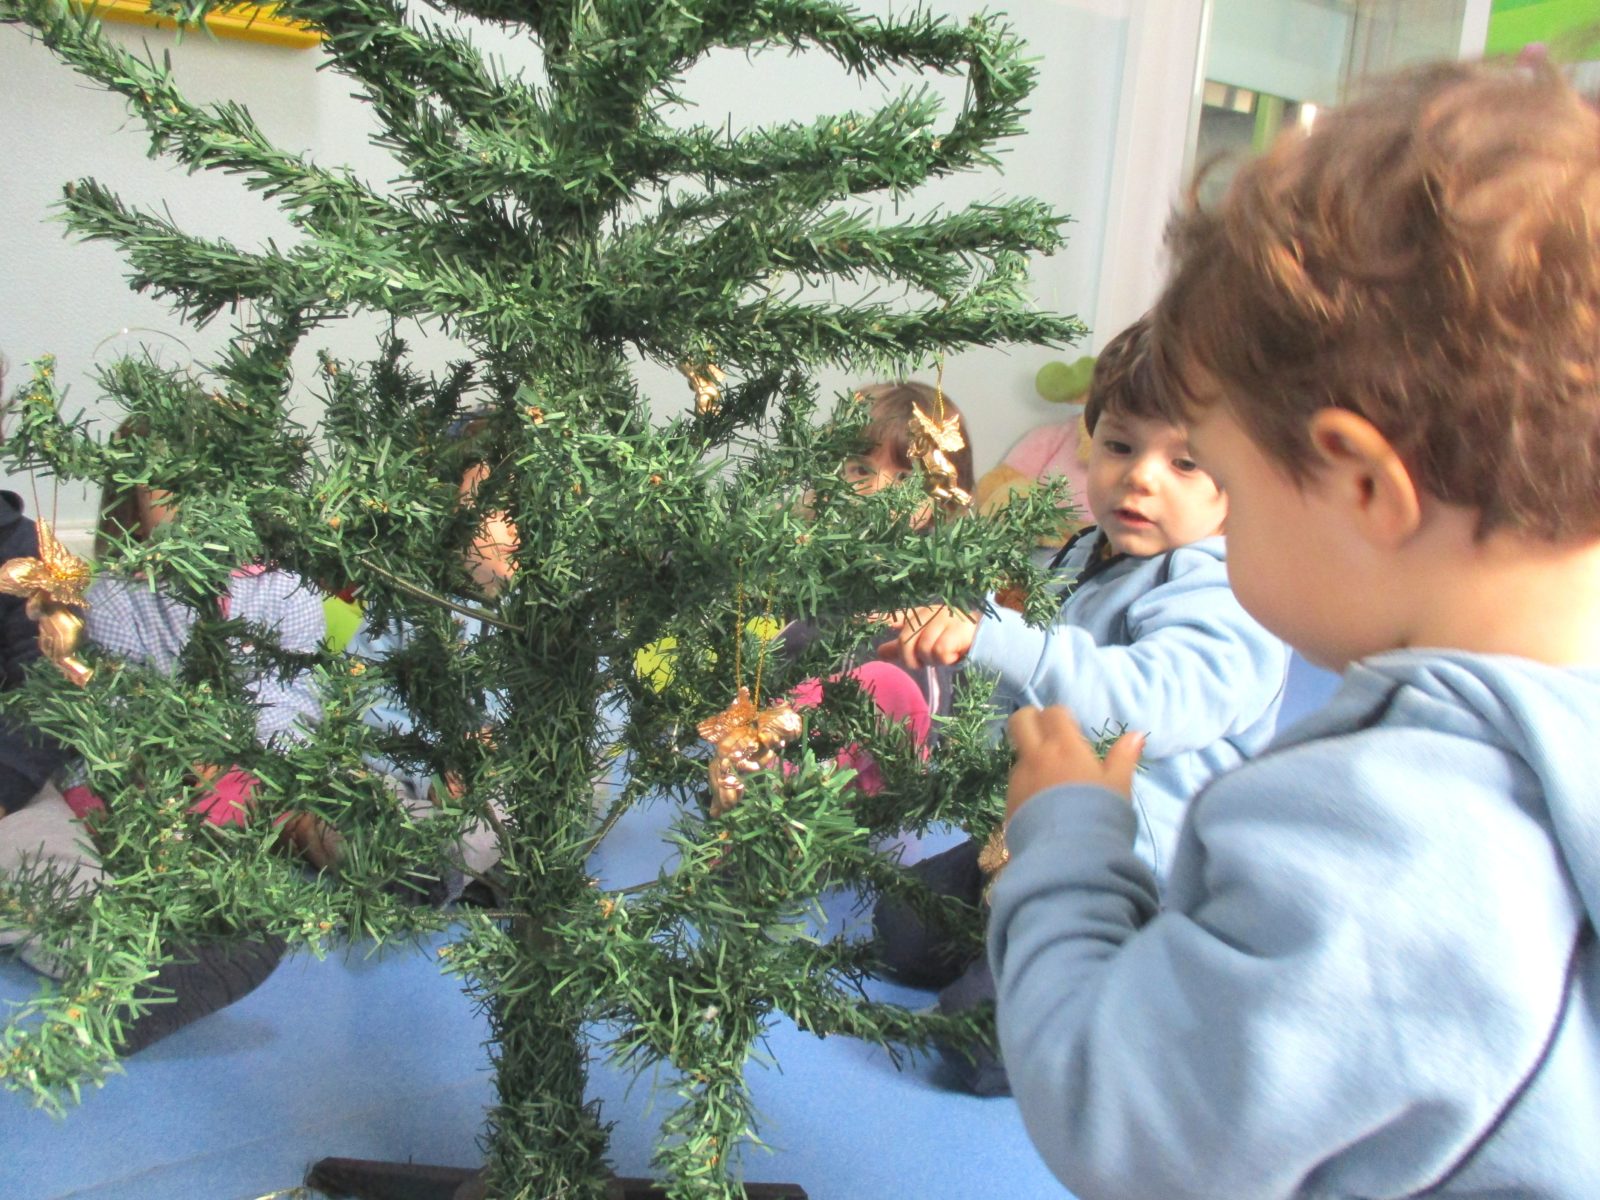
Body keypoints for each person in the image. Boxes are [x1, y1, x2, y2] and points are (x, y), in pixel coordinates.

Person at [992, 60, 1600, 1198]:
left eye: (1221, 476)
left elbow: (1122, 1118)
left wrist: (1070, 839)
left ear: (1360, 486)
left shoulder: (1378, 833)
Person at [873, 318, 1289, 1094]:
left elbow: (1146, 704)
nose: (1140, 478)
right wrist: (948, 643)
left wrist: (995, 636)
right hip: (1035, 832)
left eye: (1185, 462)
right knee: (898, 929)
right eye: (1121, 446)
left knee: (981, 1037)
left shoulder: (1232, 591)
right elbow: (1028, 677)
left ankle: (1149, 987)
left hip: (1142, 871)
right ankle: (1013, 933)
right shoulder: (1086, 551)